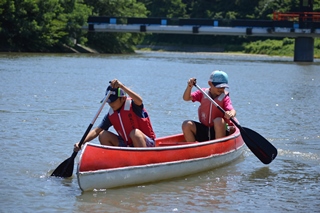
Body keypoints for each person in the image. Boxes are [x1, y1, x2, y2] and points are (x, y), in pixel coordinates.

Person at [74, 79, 156, 151]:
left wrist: (122, 86)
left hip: (147, 144)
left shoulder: (134, 106)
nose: (110, 104)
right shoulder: (111, 115)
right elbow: (96, 131)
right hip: (128, 146)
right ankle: (117, 162)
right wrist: (81, 142)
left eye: (113, 100)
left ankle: (142, 160)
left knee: (135, 133)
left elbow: (140, 100)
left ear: (123, 98)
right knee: (103, 135)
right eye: (109, 101)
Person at [182, 70, 236, 142]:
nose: (221, 89)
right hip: (205, 129)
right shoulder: (203, 93)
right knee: (186, 124)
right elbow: (186, 98)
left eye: (223, 87)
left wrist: (230, 114)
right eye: (218, 86)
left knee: (218, 121)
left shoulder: (224, 97)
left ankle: (219, 147)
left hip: (220, 130)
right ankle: (194, 149)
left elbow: (232, 110)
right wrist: (189, 87)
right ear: (210, 83)